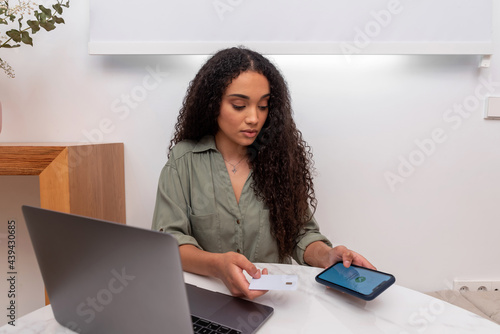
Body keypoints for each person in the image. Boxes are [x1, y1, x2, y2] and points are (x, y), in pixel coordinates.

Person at [152, 46, 374, 300]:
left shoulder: (280, 161)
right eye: (239, 105)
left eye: (263, 106)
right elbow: (170, 240)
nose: (254, 118)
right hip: (210, 299)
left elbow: (300, 233)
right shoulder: (184, 160)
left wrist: (326, 256)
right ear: (213, 104)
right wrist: (217, 265)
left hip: (275, 299)